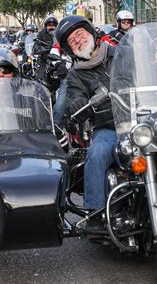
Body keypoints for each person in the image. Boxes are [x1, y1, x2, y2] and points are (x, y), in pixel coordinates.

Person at [56, 15, 117, 224]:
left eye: (79, 34)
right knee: (98, 153)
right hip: (110, 126)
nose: (78, 40)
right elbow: (77, 98)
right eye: (72, 41)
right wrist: (78, 106)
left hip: (142, 120)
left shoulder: (120, 54)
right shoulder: (75, 75)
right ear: (70, 50)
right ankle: (96, 213)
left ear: (91, 33)